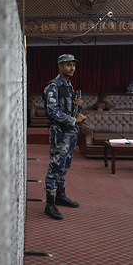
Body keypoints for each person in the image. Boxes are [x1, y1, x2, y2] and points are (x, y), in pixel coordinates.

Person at [43, 54, 86, 220]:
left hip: (70, 133)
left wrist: (76, 106)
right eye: (68, 65)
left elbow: (64, 107)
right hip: (60, 134)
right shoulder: (53, 86)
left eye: (73, 65)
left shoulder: (68, 86)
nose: (72, 68)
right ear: (60, 66)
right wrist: (73, 119)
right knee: (55, 168)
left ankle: (60, 196)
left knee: (64, 166)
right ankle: (49, 204)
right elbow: (52, 112)